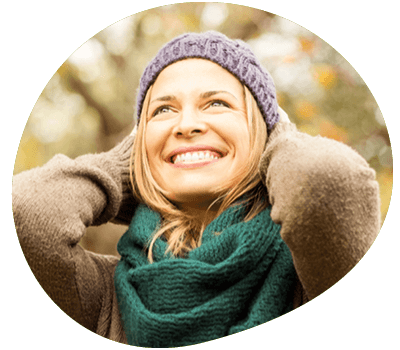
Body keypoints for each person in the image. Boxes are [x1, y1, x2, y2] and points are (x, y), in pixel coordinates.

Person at [12, 31, 381, 347]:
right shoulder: (104, 298)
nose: (187, 124)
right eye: (163, 111)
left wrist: (278, 136)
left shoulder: (310, 273)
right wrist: (129, 168)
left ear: (262, 132)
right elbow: (27, 212)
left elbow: (325, 185)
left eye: (217, 103)